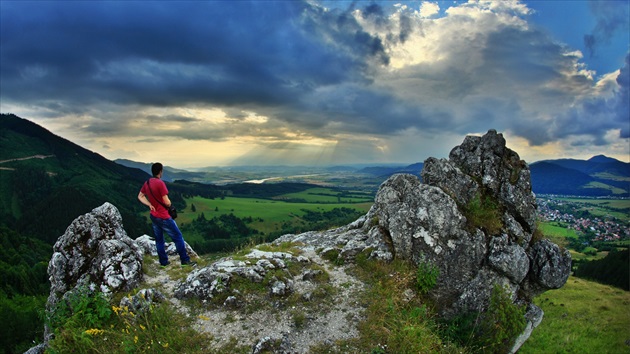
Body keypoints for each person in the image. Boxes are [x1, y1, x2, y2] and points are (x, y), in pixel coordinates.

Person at [138, 162, 196, 267]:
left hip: (154, 216)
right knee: (178, 237)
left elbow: (140, 196)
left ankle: (163, 262)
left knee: (159, 240)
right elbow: (166, 202)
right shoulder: (160, 183)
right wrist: (169, 203)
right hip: (163, 216)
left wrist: (150, 204)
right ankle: (185, 260)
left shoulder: (147, 183)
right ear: (160, 171)